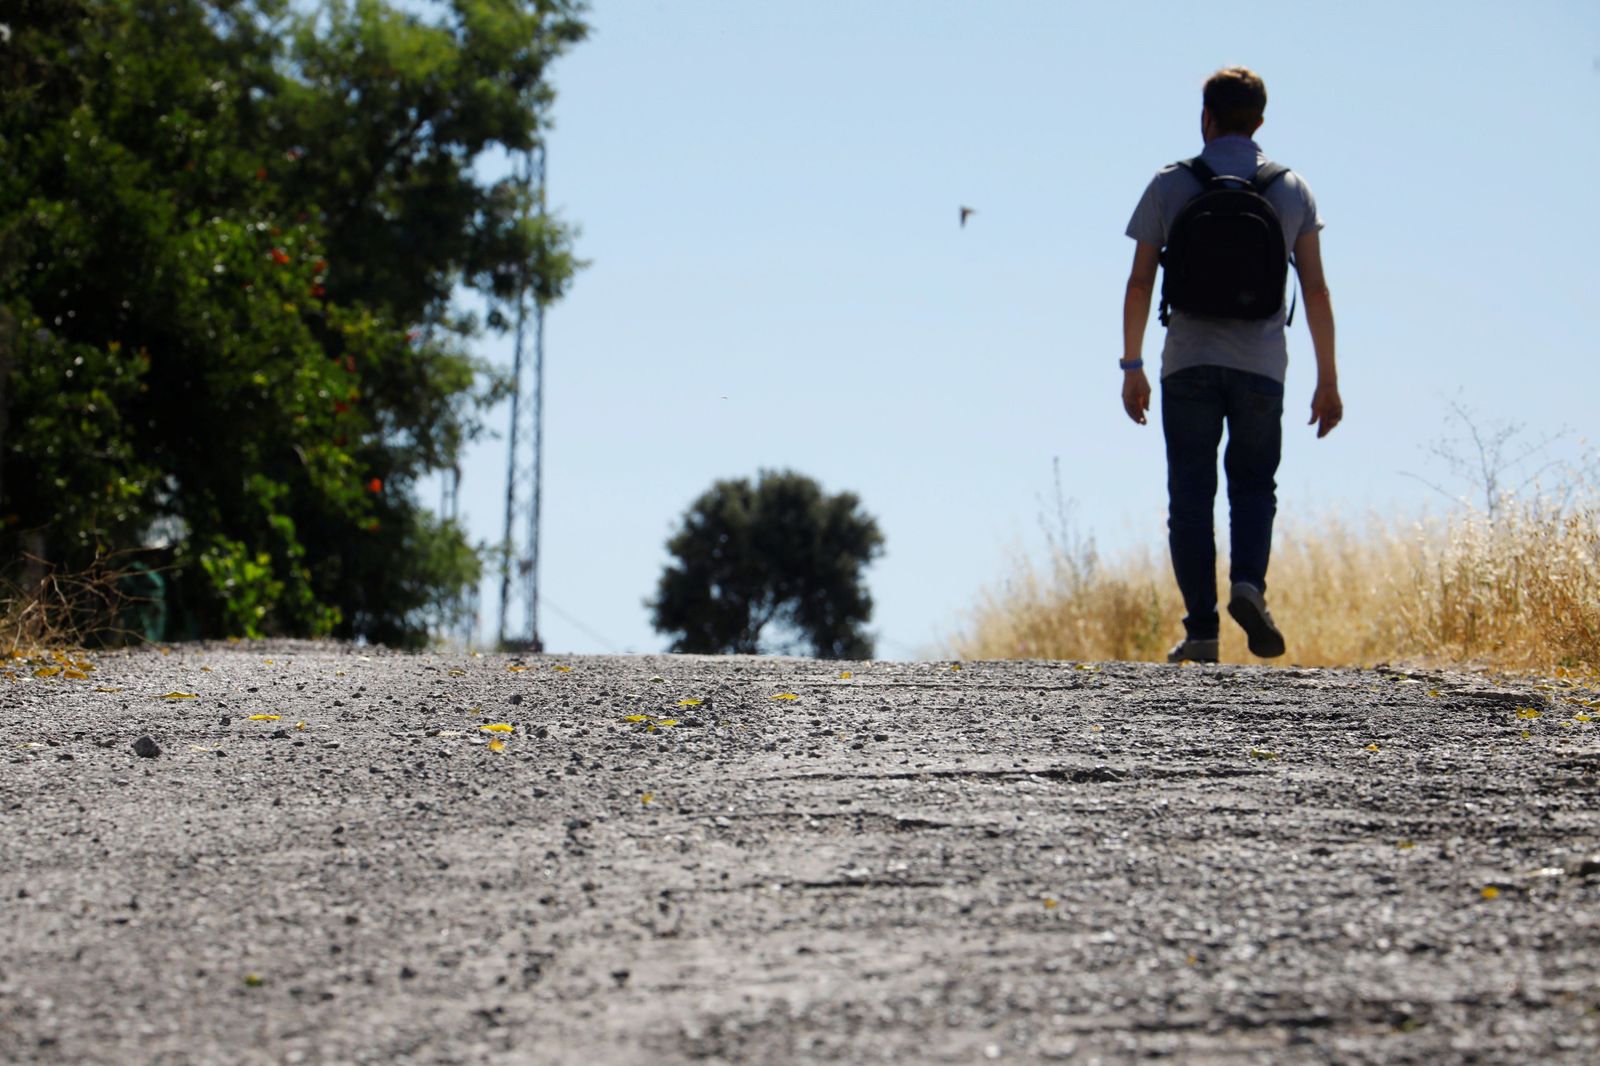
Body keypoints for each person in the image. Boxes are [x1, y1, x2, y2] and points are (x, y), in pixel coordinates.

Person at [1119, 66, 1342, 663]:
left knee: (1190, 493)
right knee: (1253, 485)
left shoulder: (1172, 184)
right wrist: (1329, 379)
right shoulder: (1291, 188)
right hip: (1262, 368)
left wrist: (1132, 364)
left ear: (1205, 117)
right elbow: (1316, 290)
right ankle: (1249, 584)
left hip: (1187, 364)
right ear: (1261, 122)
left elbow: (1140, 282)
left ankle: (1201, 632)